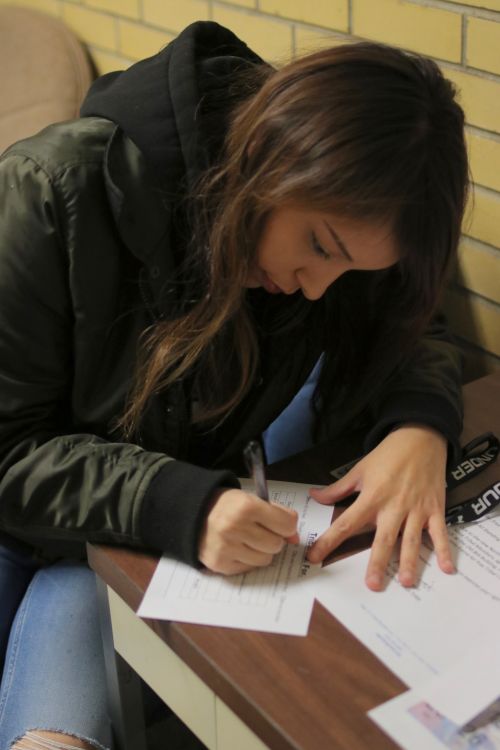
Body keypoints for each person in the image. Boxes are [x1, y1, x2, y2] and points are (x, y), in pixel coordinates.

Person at [0, 20, 468, 750]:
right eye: (321, 248)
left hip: (122, 547)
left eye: (350, 272)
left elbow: (416, 329)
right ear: (273, 157)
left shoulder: (327, 233)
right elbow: (7, 452)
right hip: (29, 524)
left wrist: (419, 426)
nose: (319, 291)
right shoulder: (49, 191)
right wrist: (177, 503)